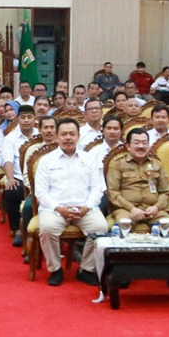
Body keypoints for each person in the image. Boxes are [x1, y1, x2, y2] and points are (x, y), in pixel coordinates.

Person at [32, 118, 105, 287]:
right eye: (63, 134)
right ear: (57, 137)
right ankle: (55, 269)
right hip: (56, 209)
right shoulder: (46, 161)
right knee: (48, 228)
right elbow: (40, 192)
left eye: (72, 134)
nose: (68, 138)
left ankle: (86, 269)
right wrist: (59, 208)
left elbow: (98, 188)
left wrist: (87, 207)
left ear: (79, 136)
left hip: (85, 208)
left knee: (100, 228)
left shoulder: (90, 159)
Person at [106, 126, 169, 232]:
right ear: (128, 146)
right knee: (123, 223)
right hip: (126, 210)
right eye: (136, 142)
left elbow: (165, 191)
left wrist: (157, 207)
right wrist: (132, 208)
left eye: (144, 143)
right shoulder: (118, 163)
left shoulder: (156, 163)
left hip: (152, 210)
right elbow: (112, 193)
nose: (141, 146)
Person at [0, 104, 38, 246]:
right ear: (18, 120)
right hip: (19, 178)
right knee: (11, 190)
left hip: (39, 179)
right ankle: (17, 229)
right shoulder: (10, 138)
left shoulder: (41, 134)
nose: (26, 120)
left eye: (29, 117)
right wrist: (10, 178)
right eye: (23, 118)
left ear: (35, 119)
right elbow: (7, 160)